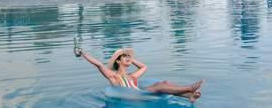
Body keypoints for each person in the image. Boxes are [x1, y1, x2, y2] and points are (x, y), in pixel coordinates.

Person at [75, 45, 203, 102]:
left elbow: (144, 66)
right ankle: (189, 88)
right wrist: (83, 54)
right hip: (133, 97)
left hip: (140, 93)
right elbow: (99, 64)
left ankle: (189, 96)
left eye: (128, 57)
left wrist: (131, 58)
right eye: (124, 57)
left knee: (165, 83)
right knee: (159, 85)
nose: (128, 58)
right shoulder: (114, 76)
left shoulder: (132, 76)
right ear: (118, 61)